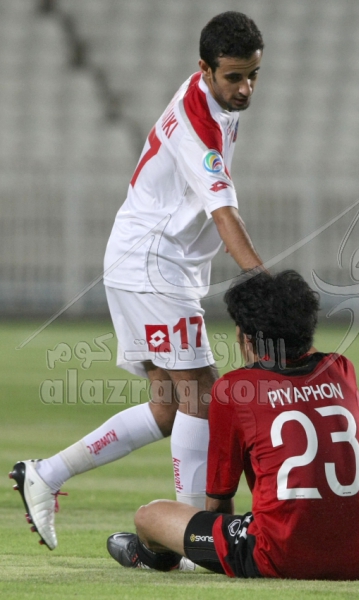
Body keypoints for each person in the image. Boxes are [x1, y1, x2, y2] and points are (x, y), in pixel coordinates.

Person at [9, 11, 265, 552]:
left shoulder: (210, 97)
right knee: (203, 393)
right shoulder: (200, 123)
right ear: (204, 69)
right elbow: (223, 213)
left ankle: (46, 473)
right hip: (153, 264)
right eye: (234, 77)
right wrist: (264, 283)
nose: (245, 88)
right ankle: (197, 544)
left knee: (169, 407)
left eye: (253, 76)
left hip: (145, 259)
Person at [107, 269, 359, 580]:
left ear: (245, 337)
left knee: (150, 516)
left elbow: (218, 503)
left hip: (278, 556)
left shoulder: (234, 389)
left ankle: (150, 554)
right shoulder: (342, 368)